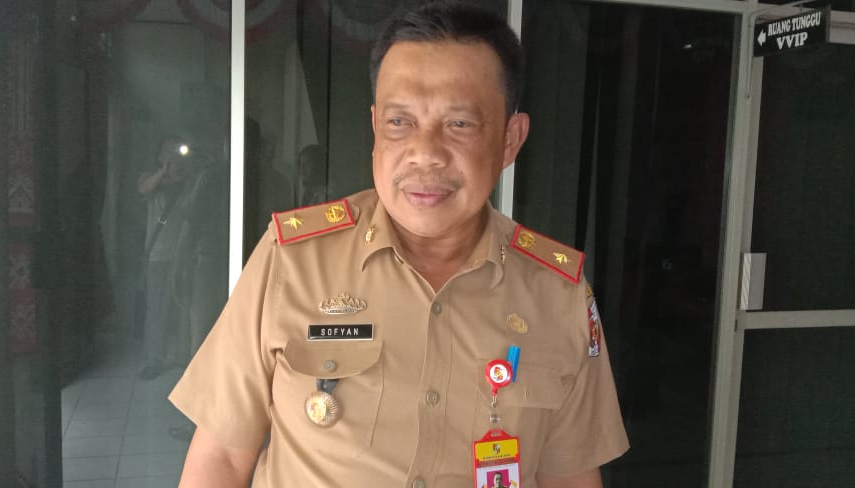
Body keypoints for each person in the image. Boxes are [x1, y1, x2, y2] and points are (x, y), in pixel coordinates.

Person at [169, 3, 629, 487]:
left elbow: (571, 477)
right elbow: (220, 458)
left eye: (459, 124)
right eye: (399, 122)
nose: (425, 153)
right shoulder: (293, 261)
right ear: (375, 128)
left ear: (510, 139)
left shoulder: (558, 295)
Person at [137, 135, 198, 380]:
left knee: (185, 309)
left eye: (177, 152)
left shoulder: (191, 181)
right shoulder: (151, 179)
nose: (174, 157)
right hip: (159, 256)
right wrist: (164, 171)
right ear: (160, 156)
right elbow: (143, 188)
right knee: (156, 310)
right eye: (168, 152)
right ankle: (154, 360)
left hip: (186, 254)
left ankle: (185, 356)